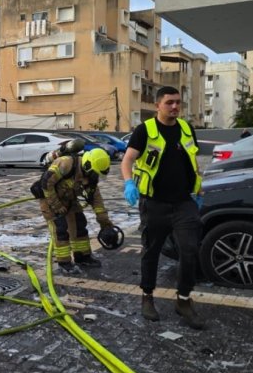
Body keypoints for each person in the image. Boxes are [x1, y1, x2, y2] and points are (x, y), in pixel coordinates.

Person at [120, 86, 205, 329]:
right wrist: (128, 183)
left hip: (183, 203)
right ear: (158, 105)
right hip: (154, 203)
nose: (175, 107)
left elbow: (192, 160)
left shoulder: (187, 128)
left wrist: (198, 189)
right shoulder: (145, 130)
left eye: (178, 102)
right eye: (169, 103)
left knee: (189, 249)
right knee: (152, 251)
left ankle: (184, 299)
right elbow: (127, 160)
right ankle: (147, 296)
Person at [39, 148, 116, 275]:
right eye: (94, 173)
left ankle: (83, 257)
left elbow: (97, 201)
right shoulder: (65, 164)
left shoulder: (90, 176)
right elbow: (46, 183)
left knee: (80, 224)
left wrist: (105, 224)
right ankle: (64, 262)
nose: (95, 177)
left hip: (69, 200)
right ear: (87, 165)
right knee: (60, 229)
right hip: (50, 199)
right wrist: (57, 206)